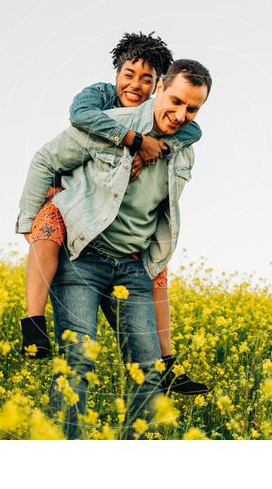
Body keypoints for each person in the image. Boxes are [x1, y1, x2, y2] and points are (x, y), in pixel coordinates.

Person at [16, 59, 211, 438]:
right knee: (77, 361)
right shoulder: (109, 123)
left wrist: (155, 263)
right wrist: (30, 225)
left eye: (192, 108)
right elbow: (46, 158)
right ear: (159, 89)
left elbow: (160, 212)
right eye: (175, 101)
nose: (181, 113)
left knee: (148, 371)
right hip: (83, 259)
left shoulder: (183, 149)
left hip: (134, 268)